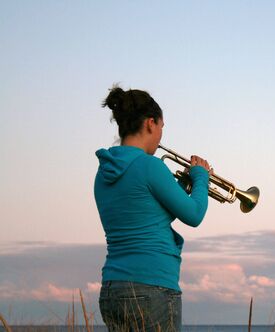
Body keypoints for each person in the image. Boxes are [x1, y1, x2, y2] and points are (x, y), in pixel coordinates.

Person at [94, 85, 210, 332]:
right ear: (150, 123)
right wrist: (200, 177)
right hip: (152, 287)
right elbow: (194, 214)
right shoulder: (150, 166)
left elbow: (149, 214)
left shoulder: (103, 173)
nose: (160, 136)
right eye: (161, 128)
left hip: (113, 288)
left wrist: (180, 185)